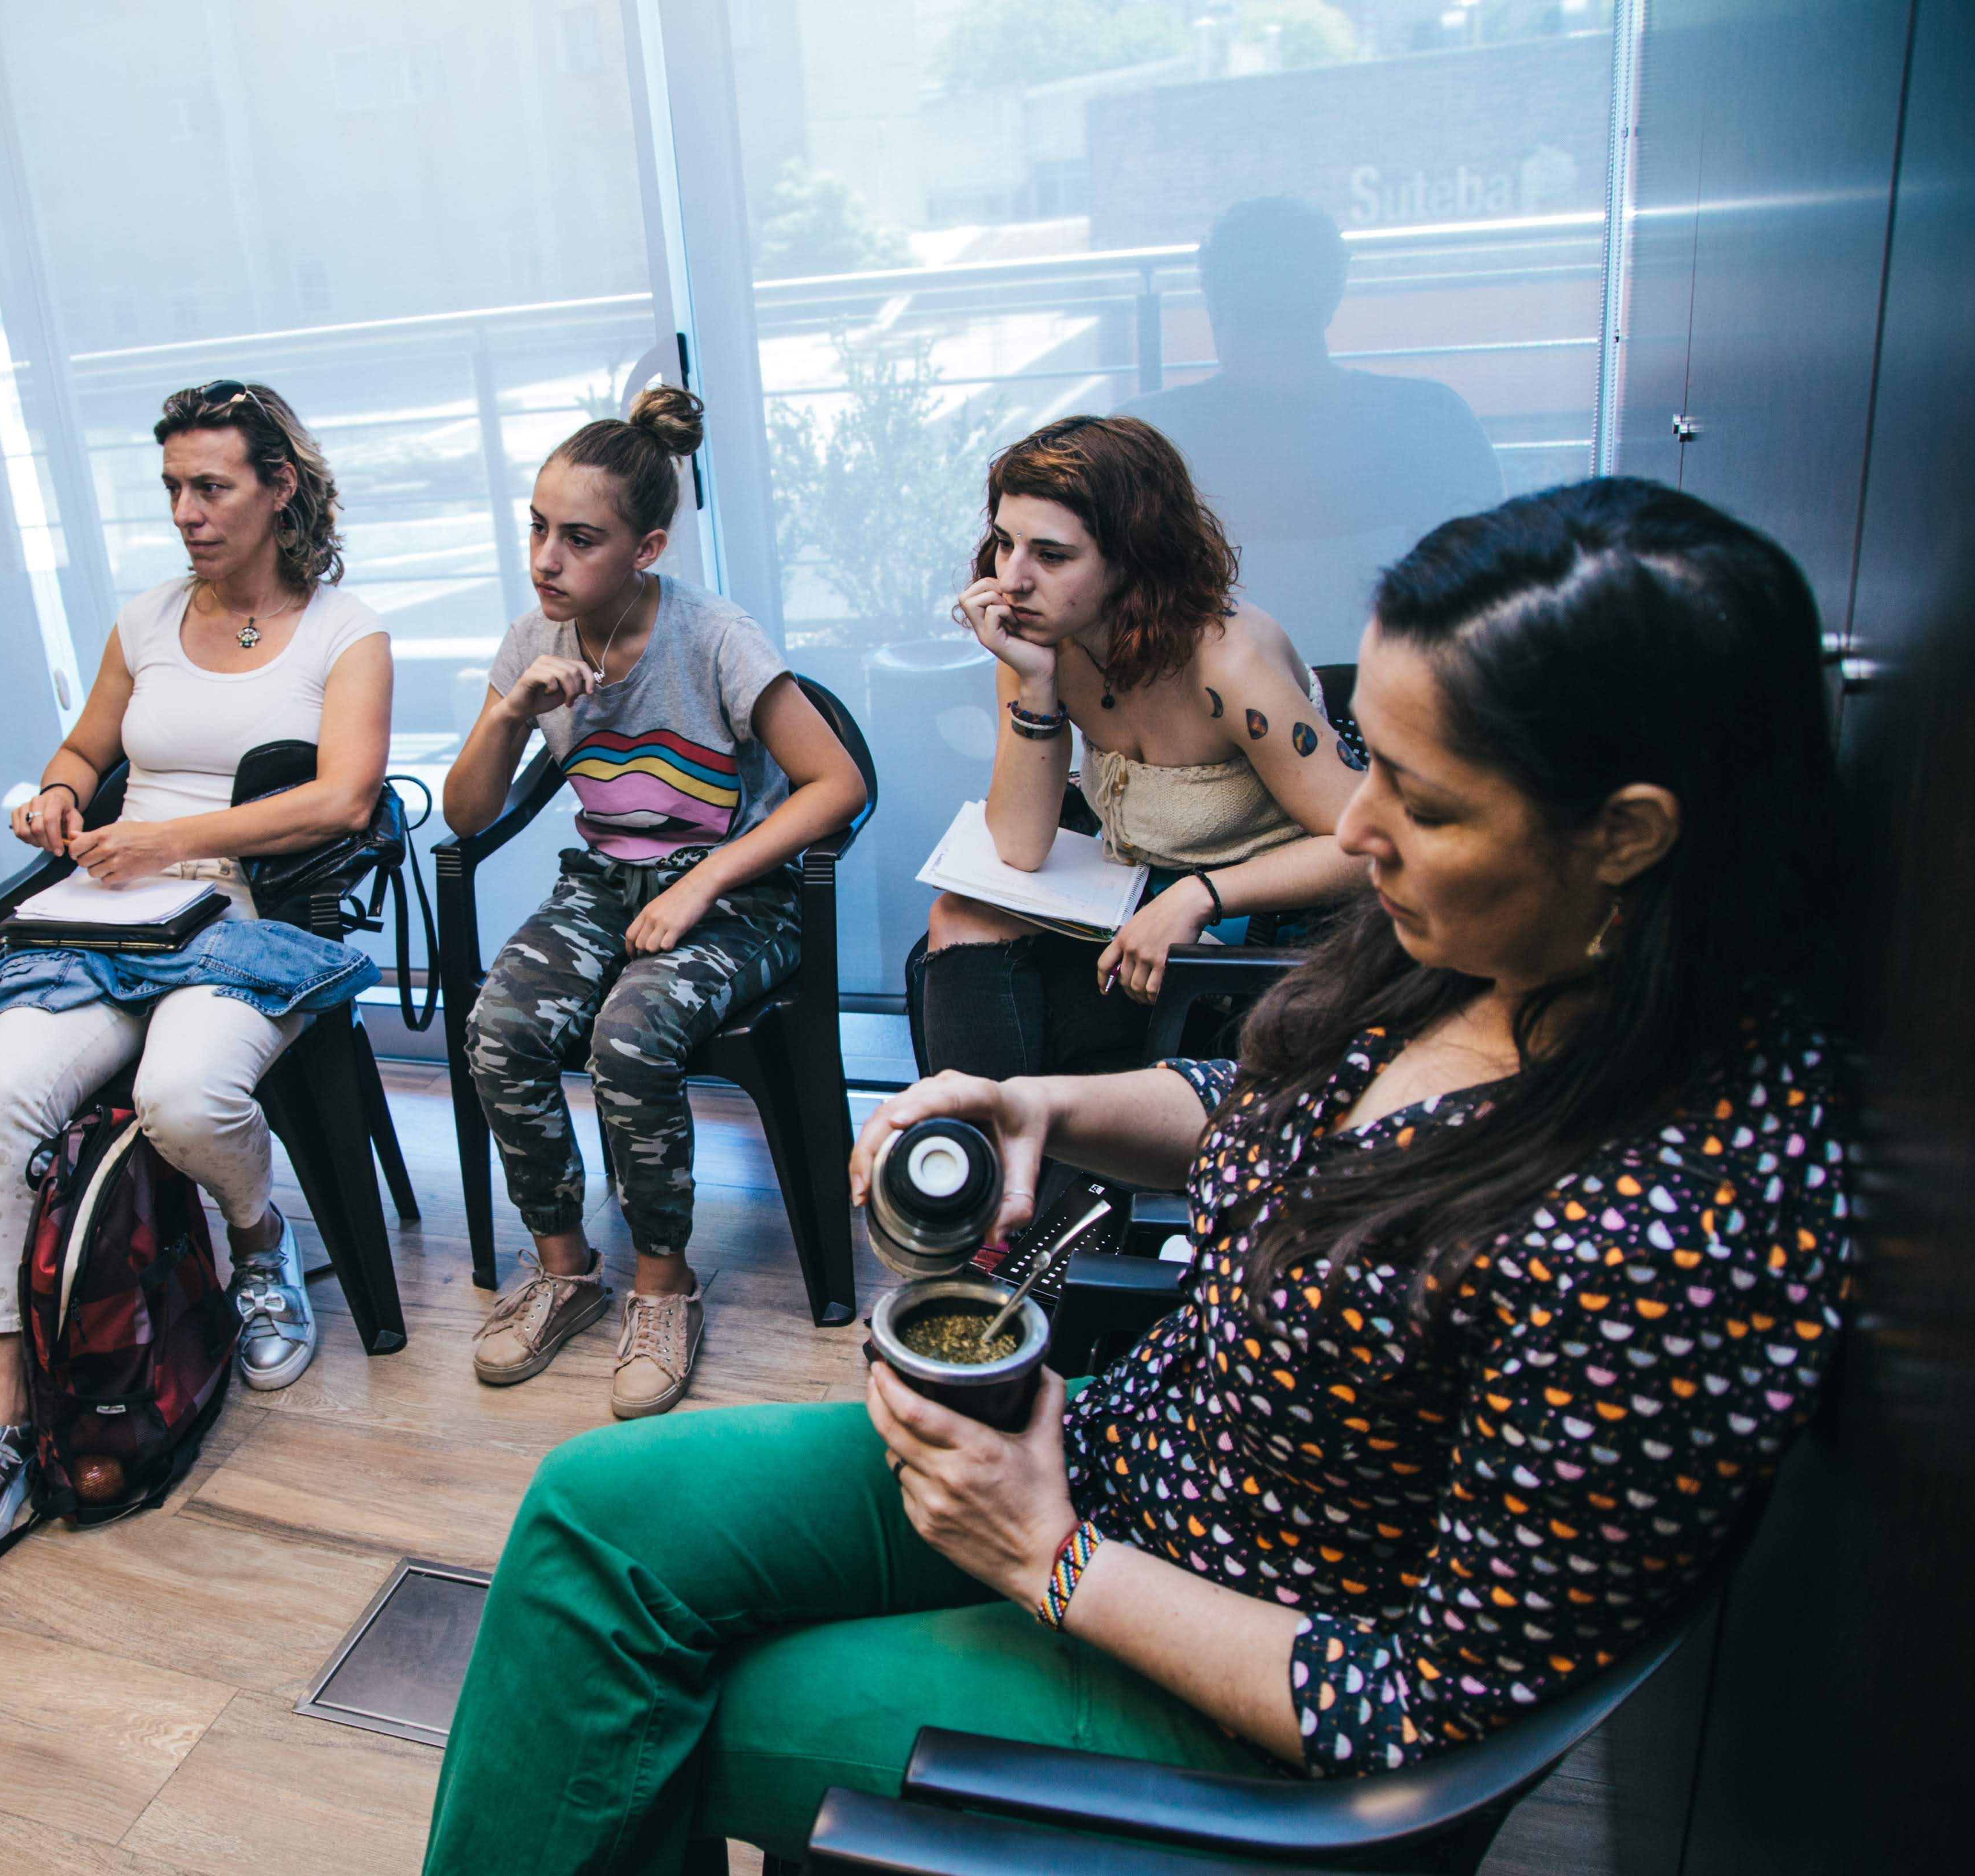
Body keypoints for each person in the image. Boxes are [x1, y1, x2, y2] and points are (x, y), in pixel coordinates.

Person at [423, 477, 1853, 1871]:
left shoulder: (1678, 1229)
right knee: (593, 1519)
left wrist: (1048, 1557)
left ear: (1625, 834)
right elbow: (1263, 1106)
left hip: (1222, 1671)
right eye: (1368, 759)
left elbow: (1428, 1712)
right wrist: (1036, 1101)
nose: (1354, 827)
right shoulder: (1470, 956)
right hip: (1115, 1459)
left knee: (673, 1703)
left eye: (1419, 800)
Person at [0, 380, 392, 1567]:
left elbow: (345, 799)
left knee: (183, 1098)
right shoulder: (142, 621)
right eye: (173, 487)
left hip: (246, 915)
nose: (185, 512)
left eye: (210, 486)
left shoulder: (345, 633)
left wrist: (170, 839)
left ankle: (259, 1243)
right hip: (112, 912)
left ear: (279, 488)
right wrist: (62, 793)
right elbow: (87, 746)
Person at [443, 384, 867, 1420]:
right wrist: (509, 714)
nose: (546, 559)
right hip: (602, 888)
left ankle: (664, 1286)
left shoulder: (713, 636)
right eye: (536, 529)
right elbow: (465, 814)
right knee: (497, 1028)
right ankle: (566, 1271)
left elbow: (836, 784)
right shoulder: (532, 639)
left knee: (629, 1038)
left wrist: (703, 881)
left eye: (578, 539)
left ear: (647, 549)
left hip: (738, 897)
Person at [909, 414, 1368, 1087]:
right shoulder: (1041, 644)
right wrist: (1034, 683)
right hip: (1142, 904)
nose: (1011, 579)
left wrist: (1200, 895)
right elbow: (1019, 846)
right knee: (956, 920)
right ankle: (983, 1141)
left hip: (1271, 942)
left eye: (1051, 556)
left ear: (1134, 558)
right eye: (1004, 543)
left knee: (998, 1015)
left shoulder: (1228, 665)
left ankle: (993, 1139)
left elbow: (1373, 846)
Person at [1121, 195, 1504, 667]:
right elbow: (1486, 601)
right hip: (1390, 698)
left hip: (1209, 703)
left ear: (1215, 305)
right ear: (1330, 301)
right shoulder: (1434, 420)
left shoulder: (1143, 440)